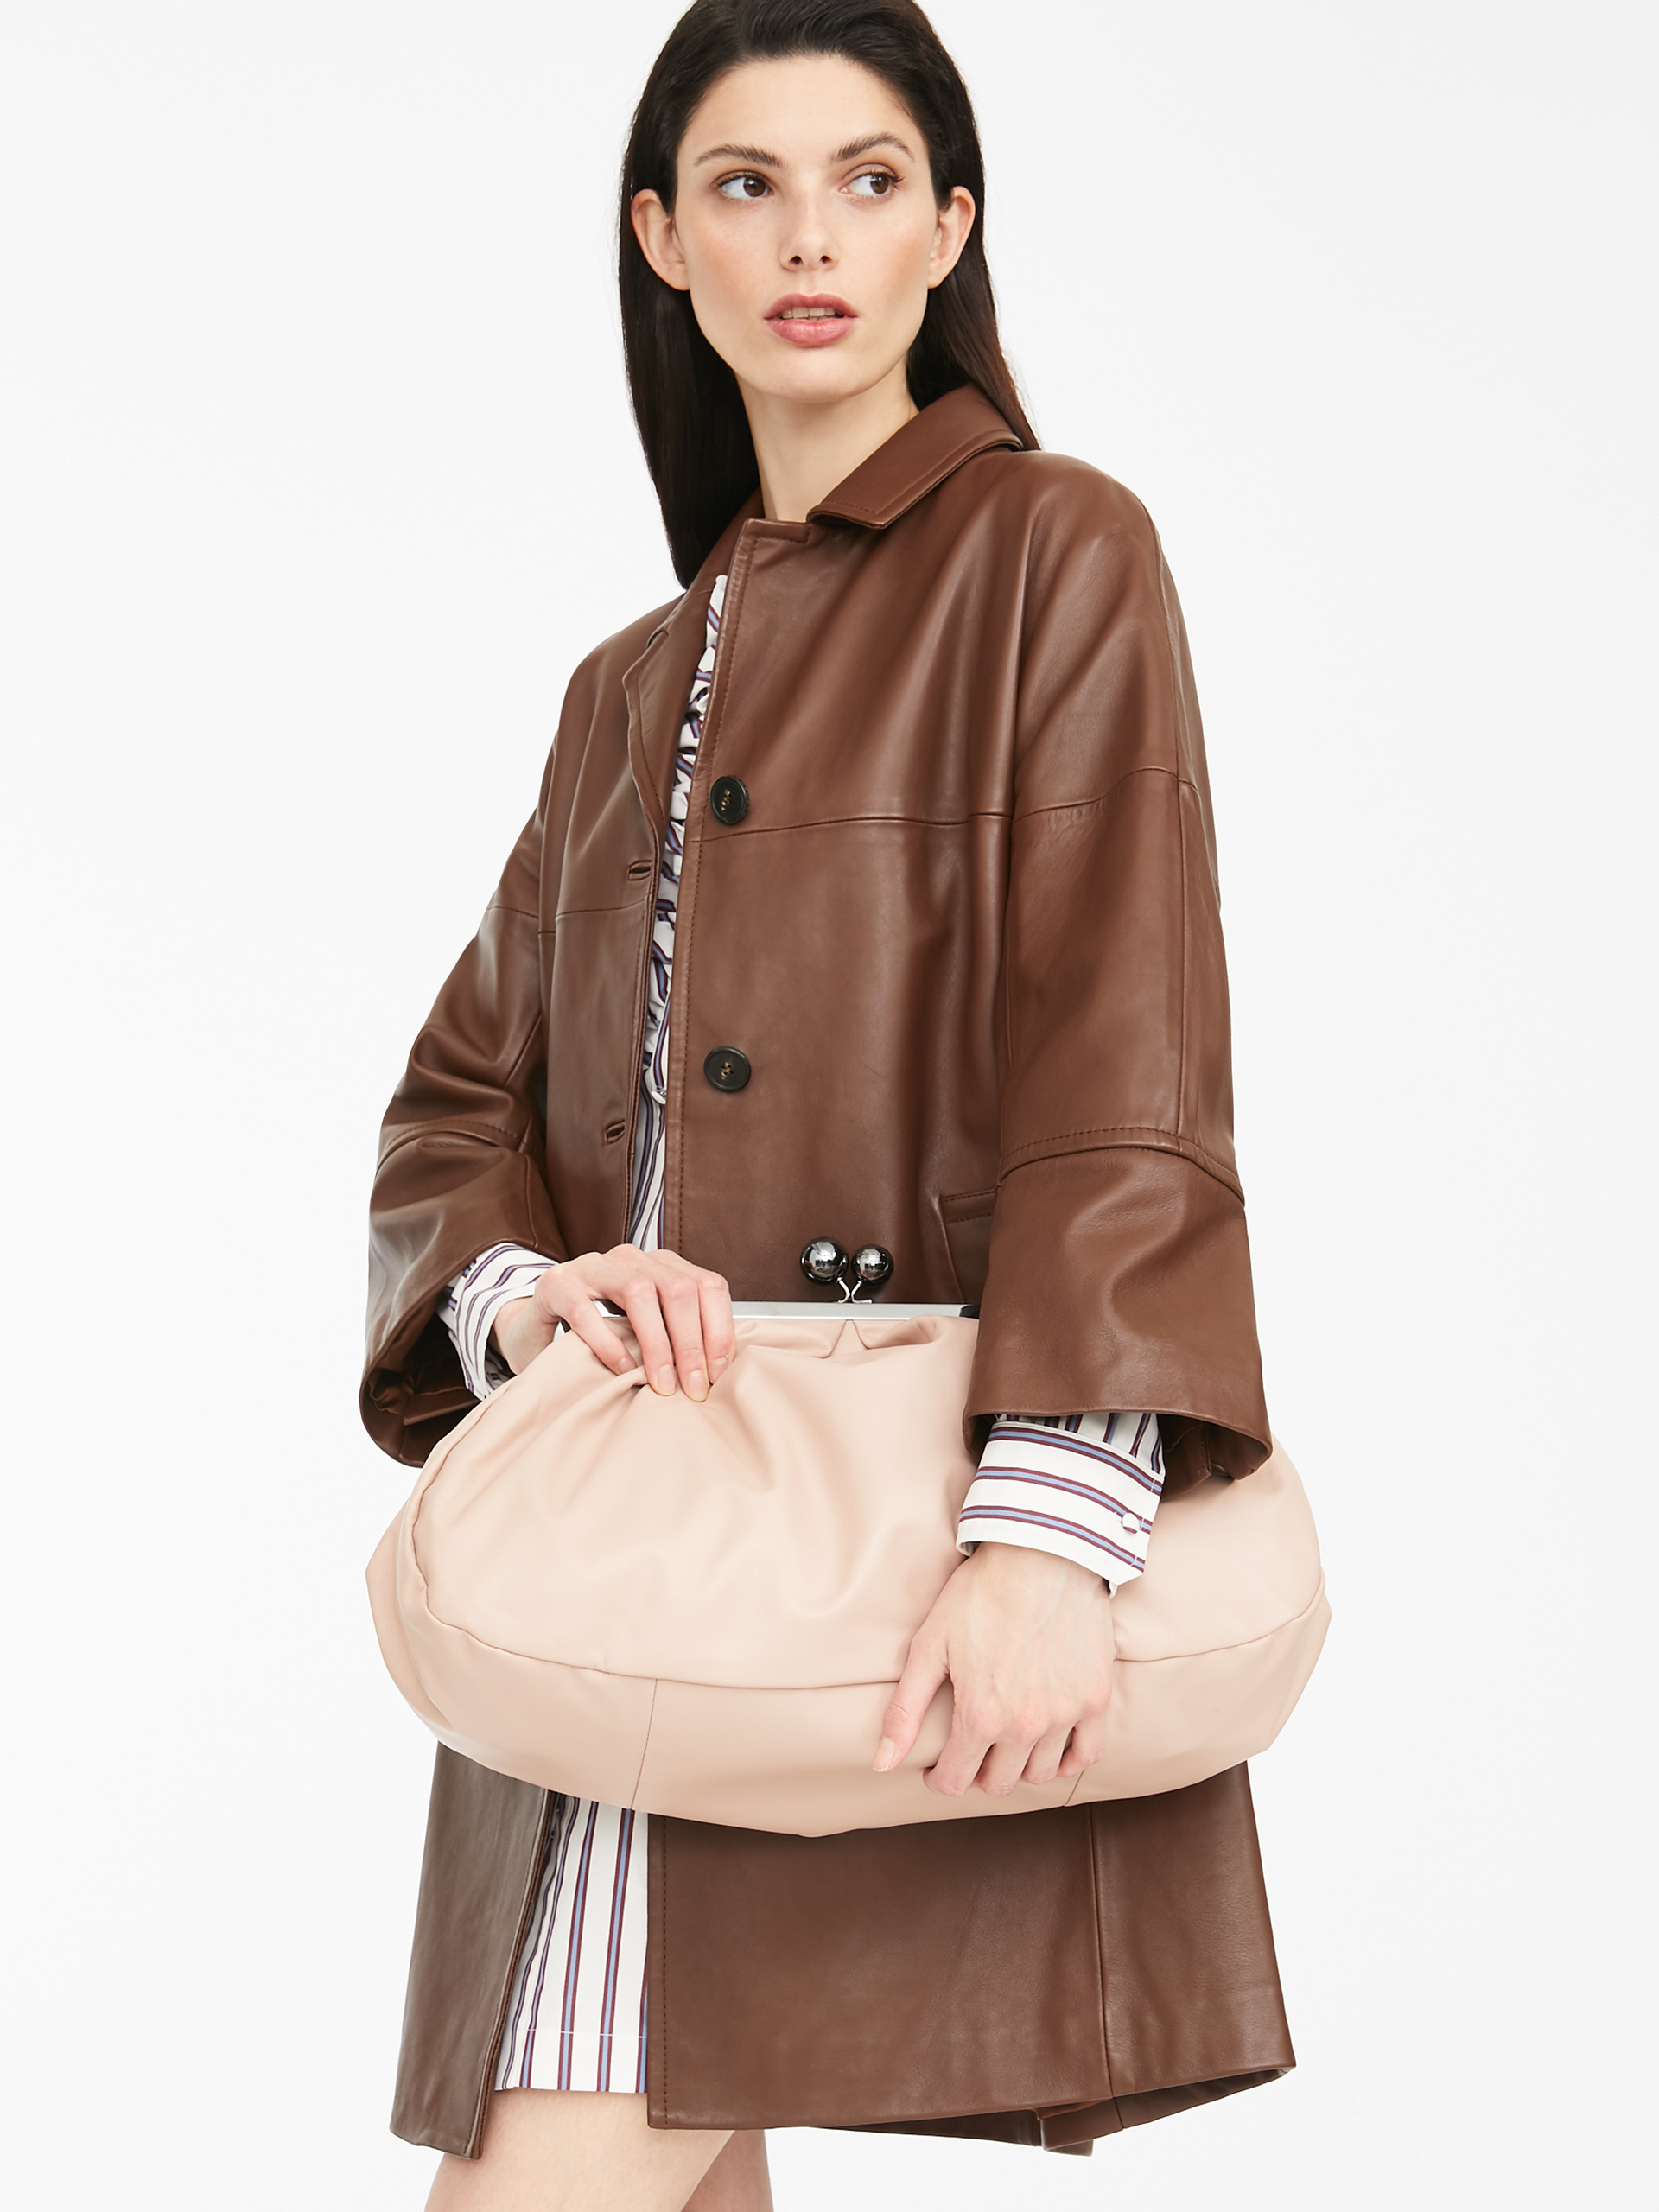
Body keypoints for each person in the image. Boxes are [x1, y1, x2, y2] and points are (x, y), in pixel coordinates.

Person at [361, 4, 1293, 2206]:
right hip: (642, 1556)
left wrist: (1050, 1526)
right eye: (747, 184)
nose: (809, 239)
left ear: (948, 230)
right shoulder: (627, 687)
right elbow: (455, 1102)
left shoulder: (1056, 549)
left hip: (885, 1541)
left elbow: (1124, 1044)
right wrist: (533, 1295)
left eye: (870, 181)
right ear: (660, 238)